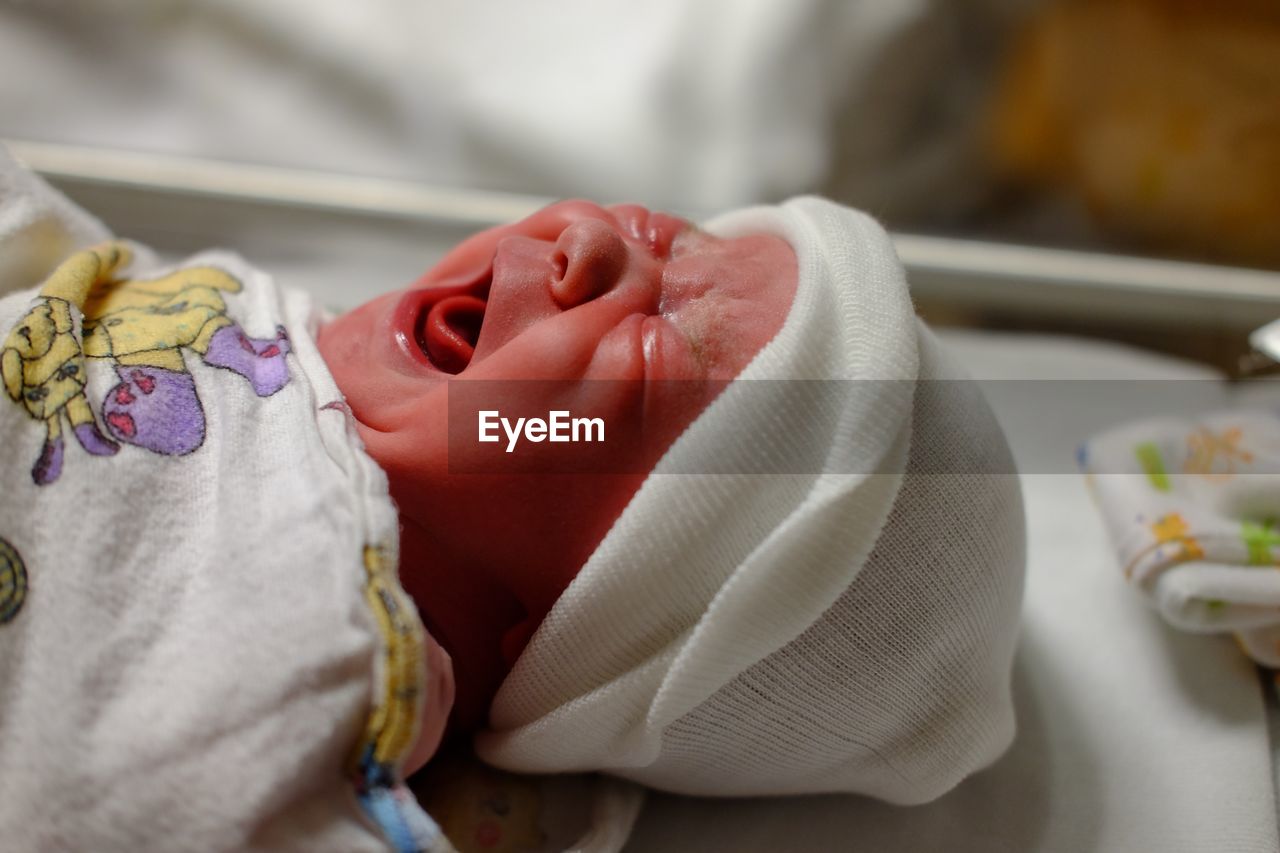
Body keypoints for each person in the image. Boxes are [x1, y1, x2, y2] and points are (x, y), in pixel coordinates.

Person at [0, 149, 1024, 851]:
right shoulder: (234, 310)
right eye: (659, 232)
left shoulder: (322, 667)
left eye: (663, 350)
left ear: (571, 624)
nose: (592, 241)